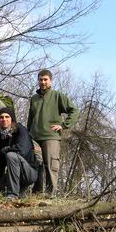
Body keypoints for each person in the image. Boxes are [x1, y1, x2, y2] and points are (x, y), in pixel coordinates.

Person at [27, 69, 79, 197]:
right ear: (38, 81)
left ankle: (50, 194)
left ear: (50, 81)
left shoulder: (57, 95)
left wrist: (63, 125)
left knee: (51, 164)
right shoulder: (34, 98)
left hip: (51, 136)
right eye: (40, 79)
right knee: (36, 163)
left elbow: (74, 111)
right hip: (34, 137)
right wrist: (28, 133)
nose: (43, 82)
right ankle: (37, 192)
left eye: (45, 79)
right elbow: (30, 118)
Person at [0, 108, 38, 200]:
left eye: (7, 117)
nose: (4, 119)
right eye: (1, 117)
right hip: (13, 173)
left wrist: (1, 152)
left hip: (29, 172)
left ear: (12, 118)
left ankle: (13, 195)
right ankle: (20, 192)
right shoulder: (0, 135)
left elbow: (21, 150)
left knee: (11, 155)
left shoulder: (21, 130)